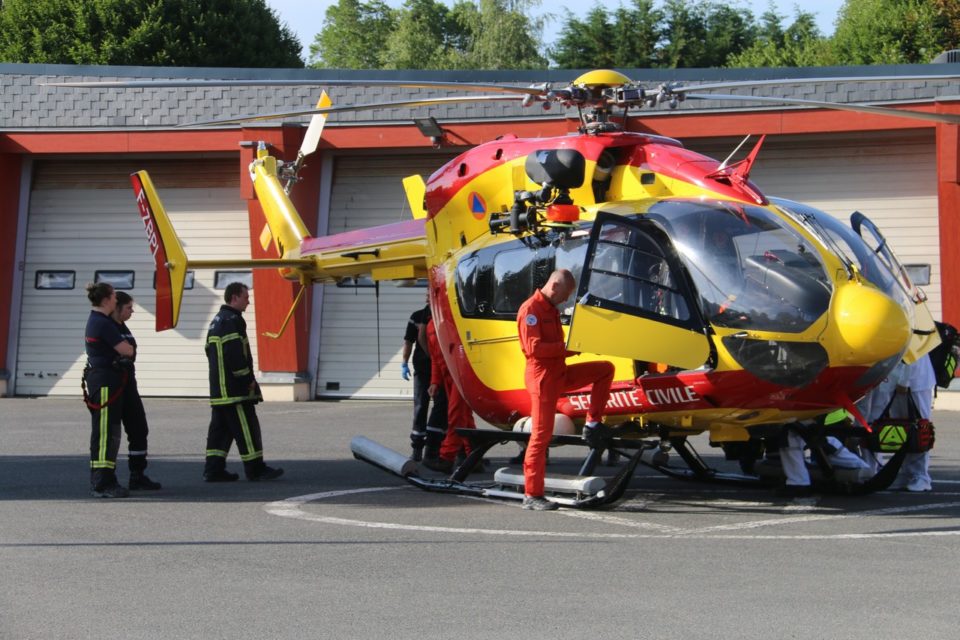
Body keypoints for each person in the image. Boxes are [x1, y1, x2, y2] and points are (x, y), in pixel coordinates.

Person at [516, 269, 615, 511]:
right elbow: (535, 349)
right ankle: (532, 495)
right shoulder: (530, 310)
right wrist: (568, 347)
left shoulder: (550, 308)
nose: (566, 299)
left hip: (558, 372)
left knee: (605, 369)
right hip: (543, 378)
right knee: (541, 436)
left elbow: (557, 348)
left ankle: (593, 423)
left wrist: (577, 346)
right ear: (555, 286)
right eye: (566, 294)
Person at [202, 282, 283, 482]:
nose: (248, 301)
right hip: (234, 390)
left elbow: (209, 351)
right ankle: (255, 469)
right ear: (235, 297)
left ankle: (213, 470)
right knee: (247, 427)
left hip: (220, 391)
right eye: (246, 297)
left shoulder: (217, 321)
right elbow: (234, 354)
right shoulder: (231, 320)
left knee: (220, 431)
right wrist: (247, 379)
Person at [83, 282, 135, 498]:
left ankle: (105, 479)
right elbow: (127, 350)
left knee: (108, 433)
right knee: (106, 434)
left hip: (106, 380)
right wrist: (126, 351)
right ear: (105, 300)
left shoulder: (100, 321)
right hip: (105, 382)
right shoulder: (102, 323)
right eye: (114, 297)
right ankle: (102, 483)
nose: (116, 300)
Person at [110, 291, 161, 491]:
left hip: (129, 385)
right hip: (114, 387)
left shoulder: (123, 327)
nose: (132, 311)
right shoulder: (109, 327)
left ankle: (137, 474)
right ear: (117, 308)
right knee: (111, 434)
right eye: (129, 308)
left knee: (139, 429)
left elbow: (131, 352)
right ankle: (106, 478)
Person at [421, 314, 476, 473]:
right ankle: (472, 456)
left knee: (456, 417)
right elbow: (435, 359)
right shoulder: (432, 324)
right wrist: (435, 382)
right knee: (465, 419)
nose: (427, 297)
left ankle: (447, 458)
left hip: (461, 375)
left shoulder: (454, 320)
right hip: (449, 378)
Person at [401, 298, 447, 462]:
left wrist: (405, 363)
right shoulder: (420, 317)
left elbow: (409, 342)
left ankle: (426, 447)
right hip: (429, 368)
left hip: (433, 368)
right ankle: (423, 447)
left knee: (428, 406)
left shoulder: (439, 316)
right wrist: (404, 363)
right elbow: (409, 341)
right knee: (432, 406)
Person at [890, 355, 935, 492]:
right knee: (901, 428)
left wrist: (905, 379)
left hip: (916, 379)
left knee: (919, 428)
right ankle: (906, 473)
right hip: (896, 377)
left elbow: (914, 349)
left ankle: (921, 476)